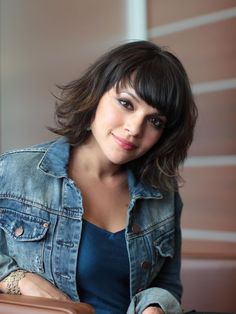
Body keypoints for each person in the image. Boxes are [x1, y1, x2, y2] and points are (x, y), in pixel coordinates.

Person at [0, 40, 197, 314]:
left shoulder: (162, 193)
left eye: (155, 121)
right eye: (126, 103)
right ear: (96, 93)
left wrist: (155, 306)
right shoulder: (14, 171)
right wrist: (19, 280)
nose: (134, 128)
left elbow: (167, 283)